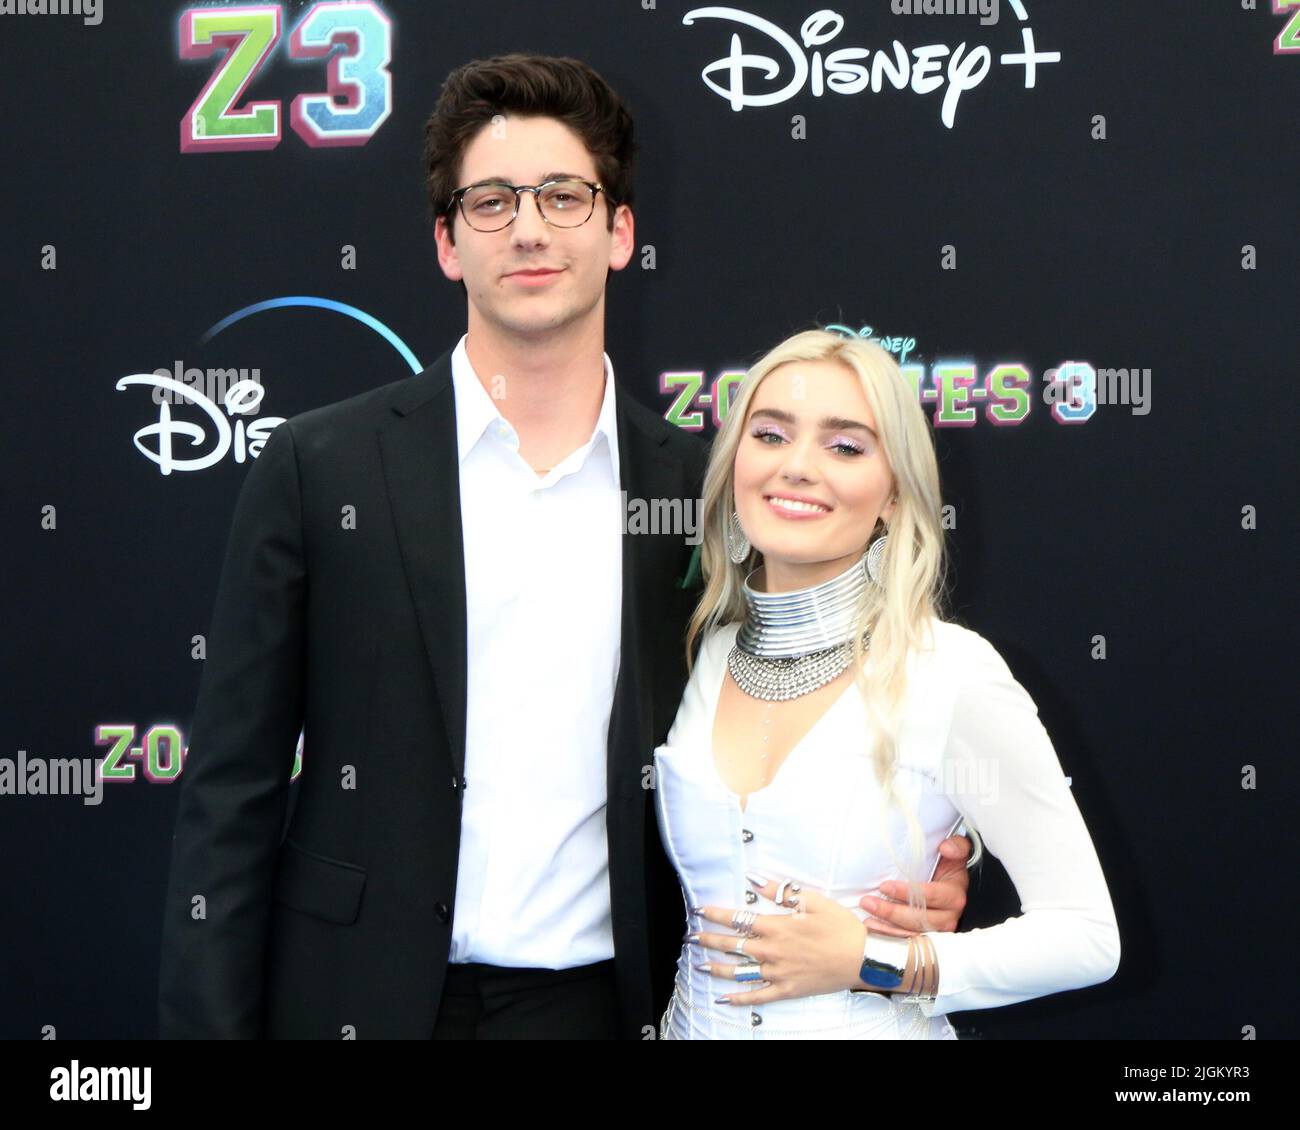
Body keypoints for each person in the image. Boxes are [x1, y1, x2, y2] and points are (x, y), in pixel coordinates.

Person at [157, 54, 975, 1041]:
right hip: (352, 996)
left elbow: (828, 694)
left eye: (563, 195)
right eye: (492, 201)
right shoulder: (318, 467)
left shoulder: (704, 489)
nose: (530, 227)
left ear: (620, 230)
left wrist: (936, 839)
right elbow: (231, 791)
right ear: (447, 242)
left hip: (606, 1004)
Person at [654, 329, 1121, 1039]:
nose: (798, 467)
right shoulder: (703, 658)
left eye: (844, 446)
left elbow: (1088, 937)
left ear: (894, 495)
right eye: (771, 434)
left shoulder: (951, 672)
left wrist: (872, 960)